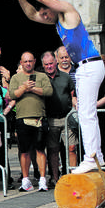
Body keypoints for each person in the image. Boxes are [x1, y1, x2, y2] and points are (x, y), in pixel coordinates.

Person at [12, 0, 105, 174]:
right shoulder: (55, 22)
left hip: (90, 64)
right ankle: (96, 154)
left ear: (53, 6)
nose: (44, 15)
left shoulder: (67, 11)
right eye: (42, 13)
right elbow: (30, 13)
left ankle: (92, 156)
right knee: (86, 113)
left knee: (86, 113)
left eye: (46, 11)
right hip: (83, 67)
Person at [8, 51, 53, 192]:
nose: (28, 63)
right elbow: (11, 94)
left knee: (40, 149)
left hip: (39, 117)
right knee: (24, 151)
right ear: (21, 63)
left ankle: (42, 179)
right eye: (25, 61)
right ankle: (26, 180)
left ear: (34, 62)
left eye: (30, 61)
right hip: (22, 118)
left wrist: (32, 89)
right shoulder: (16, 78)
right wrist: (24, 88)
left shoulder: (42, 76)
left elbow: (49, 91)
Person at [41, 51, 75, 187]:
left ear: (56, 62)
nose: (49, 66)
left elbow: (72, 94)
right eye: (46, 64)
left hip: (67, 117)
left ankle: (74, 176)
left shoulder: (66, 77)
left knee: (72, 147)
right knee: (53, 150)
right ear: (43, 66)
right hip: (51, 119)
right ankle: (55, 178)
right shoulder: (42, 78)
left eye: (51, 63)